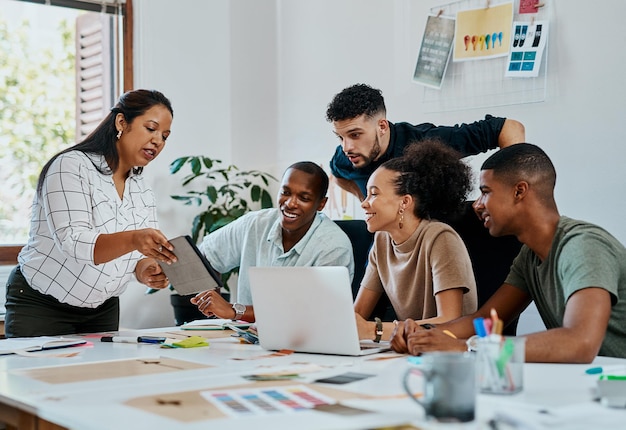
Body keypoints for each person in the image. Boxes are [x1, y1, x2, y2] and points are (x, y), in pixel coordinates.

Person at [391, 143, 626, 363]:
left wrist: (467, 348)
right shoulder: (529, 256)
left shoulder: (583, 245)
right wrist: (420, 335)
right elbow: (485, 319)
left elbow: (580, 342)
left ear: (519, 191)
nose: (477, 204)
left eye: (485, 192)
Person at [5, 89, 177, 338]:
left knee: (101, 377)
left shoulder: (141, 188)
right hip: (43, 305)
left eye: (165, 136)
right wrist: (135, 238)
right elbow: (73, 241)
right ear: (121, 122)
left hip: (101, 309)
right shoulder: (71, 166)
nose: (158, 141)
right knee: (39, 376)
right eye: (151, 129)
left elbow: (137, 255)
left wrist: (146, 270)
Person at [191, 162, 355, 322]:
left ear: (321, 204)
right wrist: (210, 299)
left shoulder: (334, 247)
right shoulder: (255, 224)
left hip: (302, 342)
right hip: (244, 339)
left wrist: (235, 311)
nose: (290, 203)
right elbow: (204, 255)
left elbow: (311, 313)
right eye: (285, 192)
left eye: (304, 198)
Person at [355, 139, 478, 342]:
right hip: (410, 349)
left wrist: (374, 330)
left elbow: (450, 320)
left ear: (405, 202)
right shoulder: (382, 241)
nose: (364, 204)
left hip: (450, 353)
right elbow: (358, 314)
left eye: (374, 194)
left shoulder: (441, 238)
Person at [326, 83, 526, 201]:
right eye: (340, 137)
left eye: (355, 135)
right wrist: (365, 198)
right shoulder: (346, 156)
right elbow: (337, 175)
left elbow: (509, 127)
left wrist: (506, 193)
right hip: (384, 248)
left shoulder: (424, 143)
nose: (347, 147)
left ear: (382, 126)